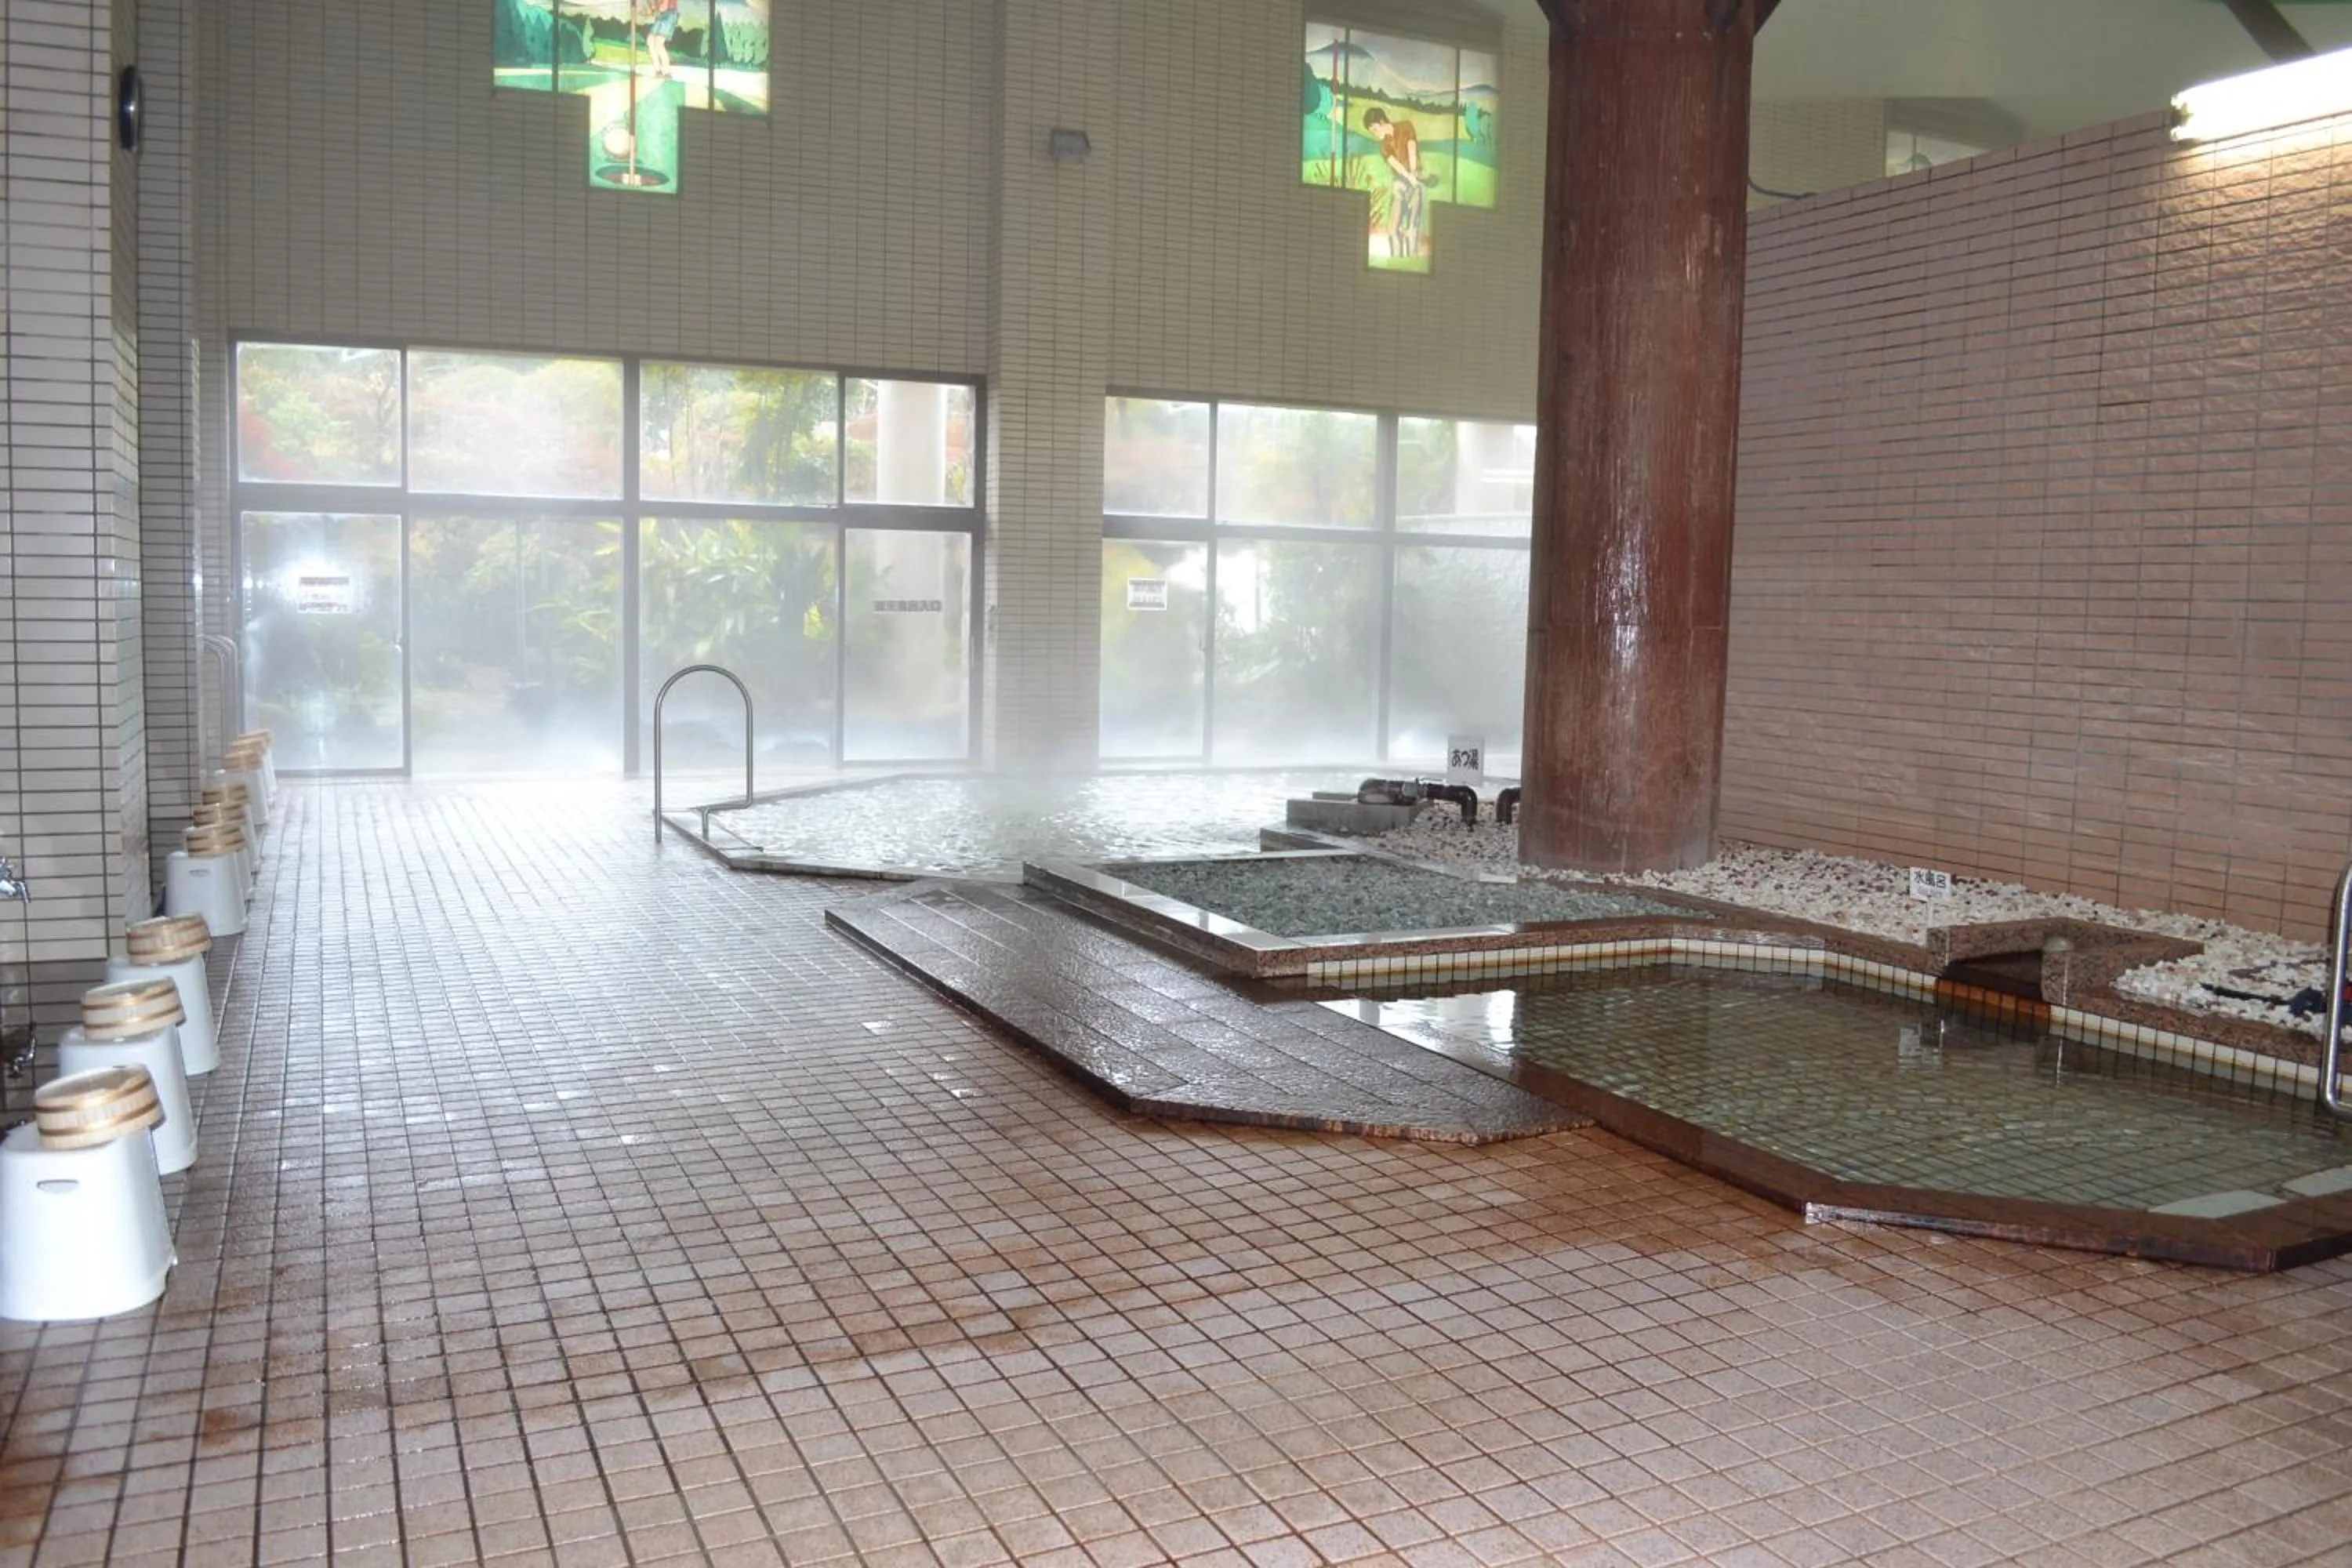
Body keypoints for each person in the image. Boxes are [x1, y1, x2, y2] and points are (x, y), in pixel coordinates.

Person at [1363, 108, 1425, 261]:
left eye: (1375, 129)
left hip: (1416, 180)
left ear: (1382, 122)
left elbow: (1412, 150)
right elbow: (1395, 165)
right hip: (1400, 183)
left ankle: (1411, 261)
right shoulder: (1383, 146)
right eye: (1372, 132)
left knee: (1412, 227)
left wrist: (1414, 174)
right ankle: (1397, 260)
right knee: (1392, 230)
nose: (1375, 134)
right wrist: (1408, 177)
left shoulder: (1405, 126)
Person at [644, 0, 680, 78]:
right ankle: (658, 71)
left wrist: (654, 10)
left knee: (658, 43)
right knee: (650, 41)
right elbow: (657, 8)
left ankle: (667, 72)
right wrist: (653, 9)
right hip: (662, 15)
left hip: (670, 14)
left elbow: (664, 6)